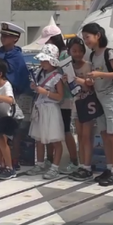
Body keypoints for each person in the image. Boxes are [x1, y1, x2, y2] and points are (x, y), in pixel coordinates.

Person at [81, 22, 113, 187]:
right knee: (105, 134)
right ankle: (109, 167)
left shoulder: (109, 53)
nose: (86, 41)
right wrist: (91, 80)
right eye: (84, 38)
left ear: (98, 35)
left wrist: (99, 74)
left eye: (88, 37)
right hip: (99, 97)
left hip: (111, 96)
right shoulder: (92, 55)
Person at [36, 24, 78, 174]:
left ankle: (74, 160)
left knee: (65, 130)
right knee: (49, 130)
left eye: (48, 40)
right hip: (50, 100)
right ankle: (49, 159)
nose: (47, 43)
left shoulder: (65, 55)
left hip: (64, 97)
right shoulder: (51, 55)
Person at [0, 22, 31, 170]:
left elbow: (18, 80)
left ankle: (13, 159)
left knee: (13, 132)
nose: (3, 38)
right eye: (2, 35)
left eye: (7, 36)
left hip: (14, 98)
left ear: (16, 39)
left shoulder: (17, 57)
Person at [27, 44, 66, 180]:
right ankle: (40, 164)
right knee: (39, 138)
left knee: (55, 140)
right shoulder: (39, 73)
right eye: (42, 60)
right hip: (40, 108)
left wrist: (46, 92)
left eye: (45, 60)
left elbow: (60, 96)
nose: (42, 63)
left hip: (51, 109)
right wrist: (35, 87)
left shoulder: (57, 76)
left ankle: (55, 167)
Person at [65, 37, 96, 181]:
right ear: (69, 52)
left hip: (89, 103)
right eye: (74, 51)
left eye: (80, 51)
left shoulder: (89, 65)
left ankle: (87, 167)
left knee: (86, 136)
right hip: (76, 104)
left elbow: (92, 85)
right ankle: (82, 165)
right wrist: (67, 82)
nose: (77, 54)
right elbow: (70, 89)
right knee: (79, 135)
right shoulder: (68, 68)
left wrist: (81, 81)